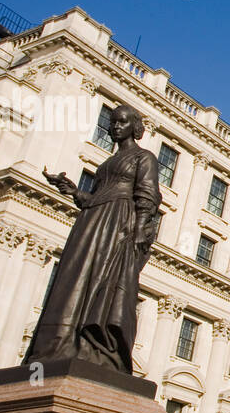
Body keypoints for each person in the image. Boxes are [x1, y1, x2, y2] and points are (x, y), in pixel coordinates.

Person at [27, 103, 162, 372]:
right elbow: (97, 196)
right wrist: (74, 191)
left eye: (122, 121)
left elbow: (147, 195)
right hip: (92, 222)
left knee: (104, 282)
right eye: (112, 121)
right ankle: (65, 342)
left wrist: (138, 233)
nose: (115, 126)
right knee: (75, 279)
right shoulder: (106, 164)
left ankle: (95, 342)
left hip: (119, 224)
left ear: (135, 127)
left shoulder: (144, 157)